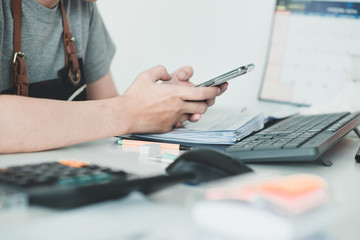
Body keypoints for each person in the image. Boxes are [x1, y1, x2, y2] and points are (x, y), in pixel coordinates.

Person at [0, 0, 227, 154]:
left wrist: (157, 105)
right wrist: (129, 111)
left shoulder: (81, 8)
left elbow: (107, 107)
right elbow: (118, 113)